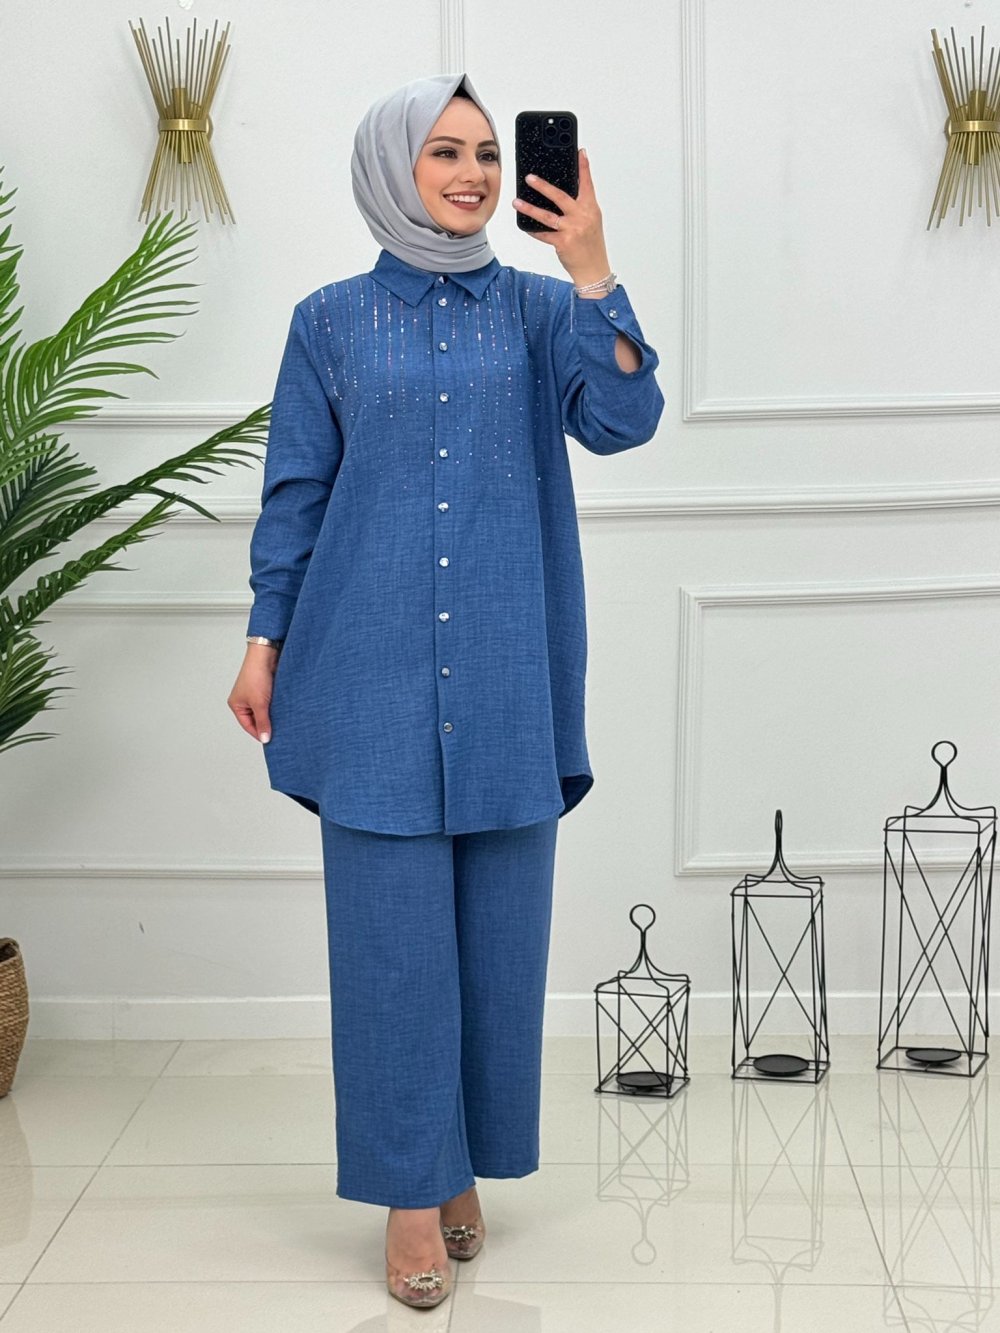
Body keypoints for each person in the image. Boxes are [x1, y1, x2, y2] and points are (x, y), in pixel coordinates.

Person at [228, 72, 664, 1310]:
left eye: (484, 153)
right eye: (443, 153)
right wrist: (262, 638)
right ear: (391, 170)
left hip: (510, 673)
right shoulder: (327, 322)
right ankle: (411, 1199)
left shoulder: (540, 311)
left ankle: (458, 1157)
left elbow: (625, 418)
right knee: (391, 952)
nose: (472, 174)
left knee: (496, 949)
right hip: (362, 675)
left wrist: (591, 265)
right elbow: (296, 494)